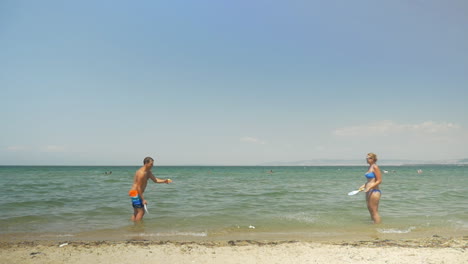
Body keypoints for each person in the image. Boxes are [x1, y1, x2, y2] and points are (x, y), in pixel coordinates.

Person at [129, 157, 172, 222]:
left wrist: (164, 181)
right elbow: (138, 187)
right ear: (146, 163)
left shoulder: (148, 172)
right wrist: (143, 199)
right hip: (135, 192)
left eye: (152, 164)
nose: (152, 165)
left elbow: (155, 180)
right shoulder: (141, 173)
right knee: (141, 212)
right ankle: (137, 228)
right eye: (151, 164)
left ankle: (134, 227)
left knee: (136, 211)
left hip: (134, 192)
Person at [359, 153, 382, 224]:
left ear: (374, 159)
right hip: (369, 190)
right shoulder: (369, 167)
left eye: (369, 158)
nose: (367, 159)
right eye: (366, 158)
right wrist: (364, 185)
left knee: (374, 211)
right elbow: (370, 181)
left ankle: (377, 227)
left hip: (374, 191)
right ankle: (373, 228)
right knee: (370, 210)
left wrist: (370, 187)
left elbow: (379, 180)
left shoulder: (375, 167)